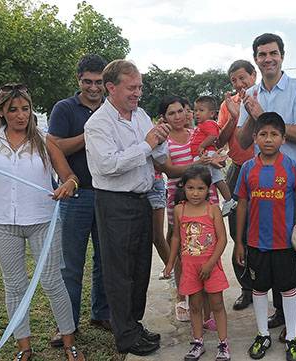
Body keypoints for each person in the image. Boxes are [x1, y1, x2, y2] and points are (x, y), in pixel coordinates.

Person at [0, 83, 85, 360]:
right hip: (2, 222)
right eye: (13, 109)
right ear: (1, 111)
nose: (20, 115)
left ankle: (70, 344)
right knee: (14, 286)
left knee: (52, 282)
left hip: (42, 221)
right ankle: (23, 348)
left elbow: (70, 176)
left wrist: (68, 186)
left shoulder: (44, 139)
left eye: (25, 108)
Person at [84, 60, 172, 356]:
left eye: (140, 87)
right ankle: (124, 334)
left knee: (140, 267)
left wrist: (161, 141)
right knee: (119, 271)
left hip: (141, 200)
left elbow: (155, 154)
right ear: (112, 87)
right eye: (132, 87)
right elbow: (107, 166)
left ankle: (133, 324)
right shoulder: (98, 124)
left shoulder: (141, 115)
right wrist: (148, 145)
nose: (138, 93)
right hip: (114, 203)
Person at [235, 33, 296, 342]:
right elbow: (244, 142)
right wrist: (248, 114)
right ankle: (282, 312)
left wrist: (262, 115)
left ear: (282, 56)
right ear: (255, 59)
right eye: (261, 54)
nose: (267, 59)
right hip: (261, 190)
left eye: (273, 53)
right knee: (270, 252)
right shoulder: (252, 94)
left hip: (294, 186)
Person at [234, 112, 296, 361]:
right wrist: (239, 242)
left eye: (274, 134)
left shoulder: (292, 168)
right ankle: (262, 334)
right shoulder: (248, 169)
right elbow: (243, 206)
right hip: (256, 243)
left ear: (282, 138)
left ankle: (291, 337)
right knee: (259, 290)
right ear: (255, 138)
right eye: (263, 134)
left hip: (285, 244)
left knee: (289, 290)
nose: (268, 139)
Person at [47, 54, 111, 346]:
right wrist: (90, 134)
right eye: (88, 81)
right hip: (76, 194)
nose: (94, 87)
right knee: (71, 265)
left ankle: (102, 313)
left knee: (105, 259)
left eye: (99, 82)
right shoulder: (64, 108)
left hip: (108, 193)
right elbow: (54, 144)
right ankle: (67, 325)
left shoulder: (112, 108)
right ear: (79, 80)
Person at [159, 95, 218, 323]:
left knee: (205, 247)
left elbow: (212, 154)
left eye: (180, 111)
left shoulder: (197, 134)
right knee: (184, 249)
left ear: (187, 112)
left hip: (206, 198)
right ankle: (182, 297)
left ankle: (206, 301)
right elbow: (169, 170)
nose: (177, 116)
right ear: (164, 117)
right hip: (179, 200)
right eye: (171, 113)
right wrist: (196, 165)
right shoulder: (164, 142)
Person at [164, 165, 230, 361]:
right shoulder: (179, 210)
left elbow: (222, 239)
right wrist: (170, 263)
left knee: (217, 304)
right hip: (190, 268)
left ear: (208, 189)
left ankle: (223, 344)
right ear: (183, 187)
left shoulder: (213, 210)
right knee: (194, 305)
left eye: (200, 188)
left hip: (211, 266)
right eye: (191, 188)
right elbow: (176, 238)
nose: (195, 193)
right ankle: (198, 342)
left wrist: (210, 263)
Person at [216, 59, 257, 311]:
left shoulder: (261, 98)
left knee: (264, 232)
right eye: (234, 80)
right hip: (238, 170)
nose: (239, 84)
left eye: (243, 78)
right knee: (237, 233)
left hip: (263, 171)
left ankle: (268, 287)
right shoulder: (227, 104)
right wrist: (232, 116)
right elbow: (220, 138)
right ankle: (246, 289)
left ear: (254, 76)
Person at [190, 95, 236, 216]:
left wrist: (201, 146)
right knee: (217, 179)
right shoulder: (204, 124)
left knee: (205, 180)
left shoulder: (208, 123)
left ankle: (225, 201)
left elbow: (213, 136)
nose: (197, 113)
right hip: (207, 154)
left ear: (211, 113)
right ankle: (228, 200)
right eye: (195, 110)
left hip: (206, 155)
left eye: (201, 110)